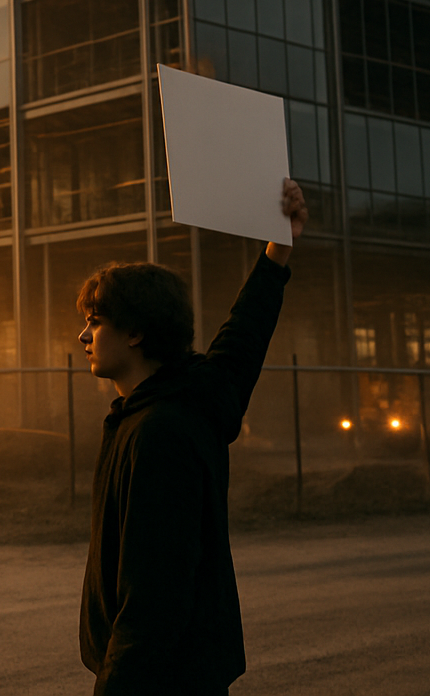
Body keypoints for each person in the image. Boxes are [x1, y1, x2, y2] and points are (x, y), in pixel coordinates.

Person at [77, 179, 309, 695]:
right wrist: (277, 252)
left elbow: (154, 590)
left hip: (160, 680)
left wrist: (118, 684)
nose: (83, 336)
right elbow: (241, 339)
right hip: (187, 670)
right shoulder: (191, 399)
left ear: (135, 332)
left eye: (95, 321)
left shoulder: (158, 432)